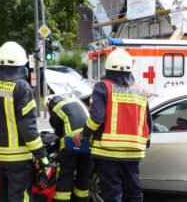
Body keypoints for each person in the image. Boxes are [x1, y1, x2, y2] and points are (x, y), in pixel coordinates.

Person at [74, 48, 152, 202]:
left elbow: (97, 118)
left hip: (108, 152)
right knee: (133, 194)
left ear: (108, 68)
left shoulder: (103, 87)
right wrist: (145, 144)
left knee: (112, 196)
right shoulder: (141, 92)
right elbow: (148, 124)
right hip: (134, 153)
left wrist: (82, 134)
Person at [0, 41, 49, 202]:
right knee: (19, 198)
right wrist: (42, 156)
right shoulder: (22, 88)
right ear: (20, 66)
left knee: (4, 197)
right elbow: (28, 128)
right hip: (18, 158)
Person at [46, 95, 92, 202]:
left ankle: (62, 200)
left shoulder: (55, 109)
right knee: (83, 173)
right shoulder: (74, 102)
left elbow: (57, 133)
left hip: (72, 140)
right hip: (86, 137)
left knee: (65, 173)